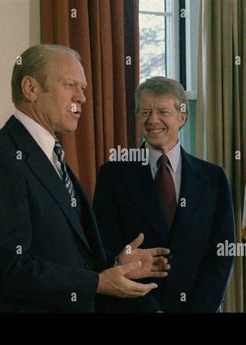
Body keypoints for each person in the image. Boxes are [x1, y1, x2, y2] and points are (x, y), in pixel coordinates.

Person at [0, 45, 170, 312]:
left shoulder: (49, 154)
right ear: (31, 88)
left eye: (83, 88)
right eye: (71, 85)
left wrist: (117, 263)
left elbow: (64, 253)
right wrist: (96, 282)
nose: (82, 98)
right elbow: (7, 268)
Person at [93, 77, 235, 312]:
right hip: (133, 308)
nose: (153, 120)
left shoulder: (213, 178)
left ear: (182, 117)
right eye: (146, 112)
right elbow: (105, 248)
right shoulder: (113, 175)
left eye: (162, 112)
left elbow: (222, 253)